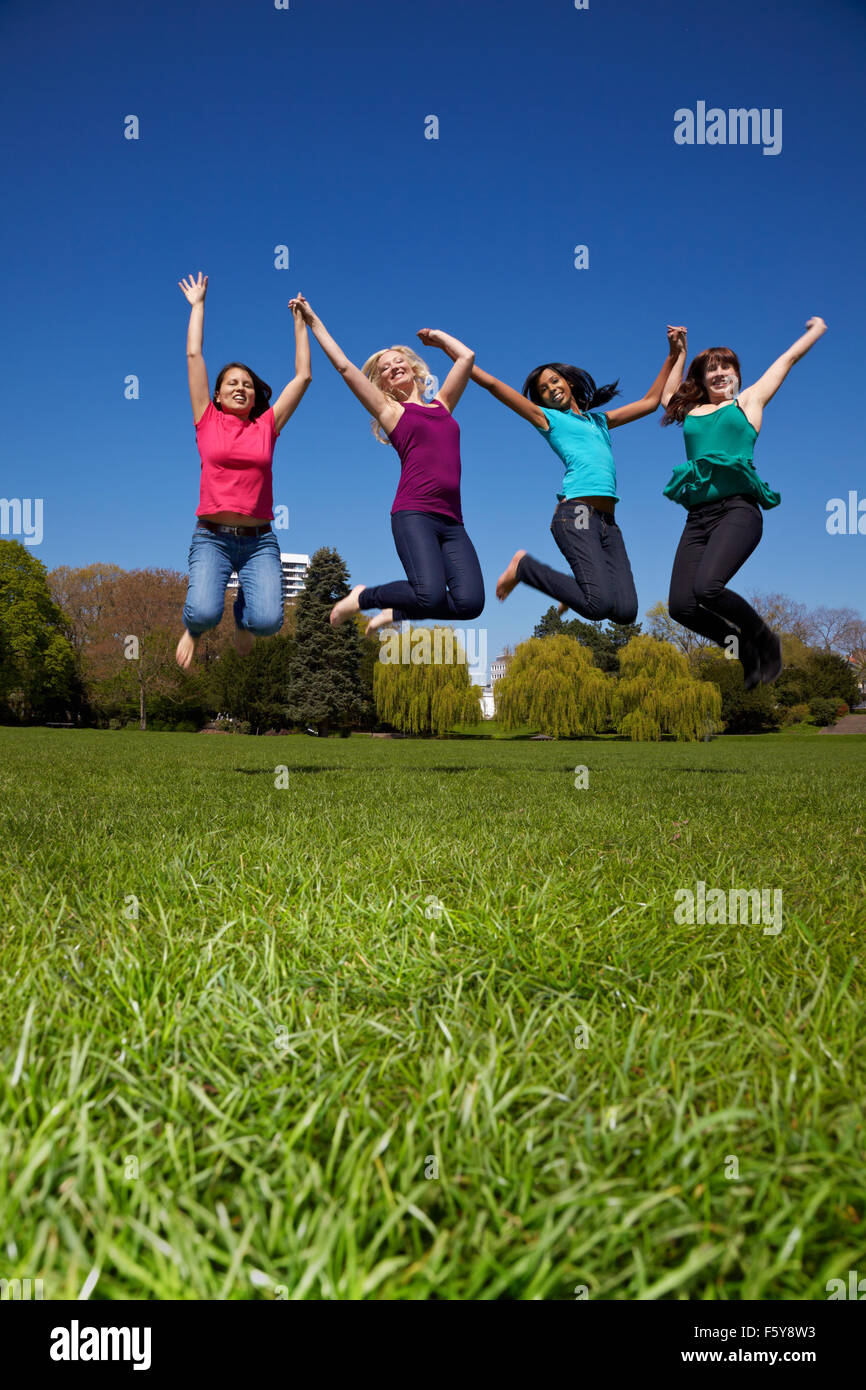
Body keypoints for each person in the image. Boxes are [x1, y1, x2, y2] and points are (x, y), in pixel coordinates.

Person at [459, 329, 687, 622]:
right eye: (543, 389)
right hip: (577, 512)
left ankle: (575, 590)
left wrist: (672, 355)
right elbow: (493, 385)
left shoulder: (599, 421)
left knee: (626, 612)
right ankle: (523, 567)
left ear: (568, 381)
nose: (551, 388)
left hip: (609, 523)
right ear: (541, 400)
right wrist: (461, 360)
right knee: (598, 605)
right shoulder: (548, 420)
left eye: (554, 380)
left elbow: (650, 403)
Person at [289, 293, 484, 632]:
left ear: (413, 368)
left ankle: (396, 612)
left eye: (398, 362)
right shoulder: (391, 411)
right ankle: (363, 598)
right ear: (381, 383)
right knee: (429, 593)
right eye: (385, 369)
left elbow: (466, 357)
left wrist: (436, 337)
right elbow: (345, 367)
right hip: (414, 514)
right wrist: (311, 318)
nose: (393, 367)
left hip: (453, 522)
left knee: (470, 604)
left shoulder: (443, 406)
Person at [660, 317, 827, 688]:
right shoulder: (692, 411)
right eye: (711, 369)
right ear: (701, 379)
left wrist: (815, 331)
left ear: (737, 373)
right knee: (681, 607)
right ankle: (744, 651)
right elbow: (666, 398)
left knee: (707, 588)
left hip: (738, 511)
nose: (719, 373)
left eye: (726, 367)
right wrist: (679, 353)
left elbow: (786, 360)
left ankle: (766, 639)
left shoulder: (749, 401)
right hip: (698, 519)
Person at [175, 271, 311, 670]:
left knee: (267, 622)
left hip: (259, 542)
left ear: (255, 396)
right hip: (212, 538)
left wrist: (299, 323)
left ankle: (242, 618)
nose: (240, 388)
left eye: (248, 385)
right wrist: (198, 306)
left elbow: (303, 377)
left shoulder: (267, 425)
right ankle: (194, 629)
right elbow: (194, 357)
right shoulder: (206, 419)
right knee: (201, 614)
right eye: (232, 383)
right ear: (217, 394)